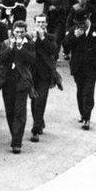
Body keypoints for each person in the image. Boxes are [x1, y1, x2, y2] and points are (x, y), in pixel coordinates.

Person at [62, 12, 96, 130]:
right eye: (78, 24)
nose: (81, 26)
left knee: (88, 91)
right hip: (78, 67)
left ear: (88, 20)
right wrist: (74, 37)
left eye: (83, 23)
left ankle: (87, 118)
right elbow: (65, 46)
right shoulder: (74, 30)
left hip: (92, 67)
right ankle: (82, 113)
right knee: (80, 90)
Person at [0, 21, 36, 154]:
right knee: (10, 111)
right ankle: (15, 134)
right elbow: (0, 59)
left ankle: (17, 142)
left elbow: (32, 59)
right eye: (17, 32)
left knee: (20, 112)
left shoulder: (29, 45)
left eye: (22, 32)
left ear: (25, 32)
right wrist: (11, 48)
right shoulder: (6, 43)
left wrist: (21, 49)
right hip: (7, 82)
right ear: (13, 32)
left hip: (22, 82)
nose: (19, 34)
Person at [29, 14, 59, 142]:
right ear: (35, 23)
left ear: (46, 24)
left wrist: (42, 38)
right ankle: (39, 122)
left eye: (43, 22)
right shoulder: (30, 36)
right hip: (31, 74)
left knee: (41, 100)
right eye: (38, 22)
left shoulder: (50, 37)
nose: (41, 24)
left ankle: (35, 130)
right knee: (34, 101)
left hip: (45, 75)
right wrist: (35, 39)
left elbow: (53, 50)